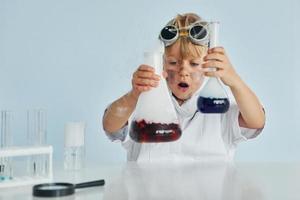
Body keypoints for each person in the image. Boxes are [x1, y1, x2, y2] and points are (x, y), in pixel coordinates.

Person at [102, 13, 265, 162]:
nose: (183, 72)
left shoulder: (219, 107)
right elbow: (110, 125)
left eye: (194, 64)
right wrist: (135, 93)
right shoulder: (144, 106)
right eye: (173, 62)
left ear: (208, 65)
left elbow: (256, 121)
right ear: (162, 63)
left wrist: (235, 81)